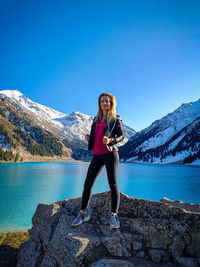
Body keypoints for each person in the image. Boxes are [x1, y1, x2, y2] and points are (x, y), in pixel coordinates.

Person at [71, 93, 124, 229]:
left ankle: (114, 215)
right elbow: (96, 137)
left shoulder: (115, 118)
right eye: (102, 101)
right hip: (97, 155)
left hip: (111, 154)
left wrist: (111, 140)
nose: (104, 103)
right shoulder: (95, 120)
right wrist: (90, 139)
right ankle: (83, 213)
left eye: (107, 101)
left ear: (111, 103)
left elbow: (121, 136)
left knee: (113, 184)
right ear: (99, 103)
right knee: (88, 183)